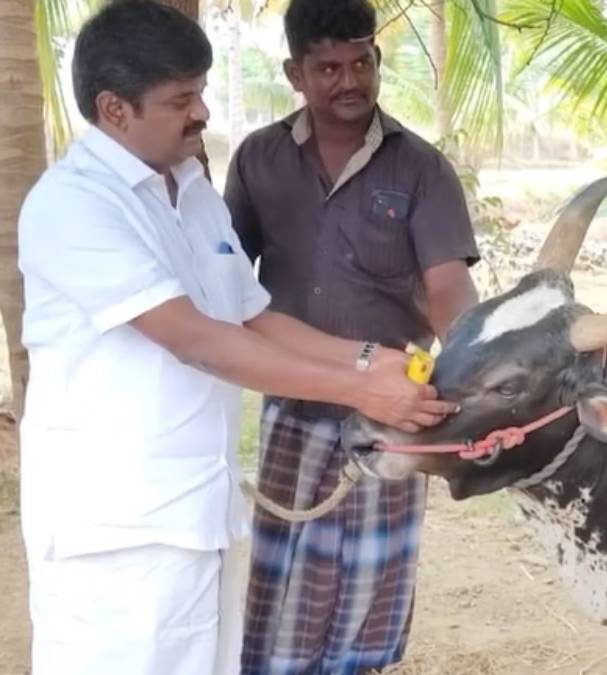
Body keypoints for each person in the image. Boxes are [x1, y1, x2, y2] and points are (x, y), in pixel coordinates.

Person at [16, 2, 458, 673]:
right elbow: (195, 338)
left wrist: (375, 358)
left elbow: (252, 315)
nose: (202, 114)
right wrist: (364, 389)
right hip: (116, 533)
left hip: (197, 512)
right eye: (181, 100)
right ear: (114, 110)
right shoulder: (74, 204)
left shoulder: (191, 190)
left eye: (200, 94)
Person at [222, 0, 481, 671]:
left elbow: (449, 285)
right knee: (284, 585)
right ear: (295, 73)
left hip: (392, 414)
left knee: (370, 593)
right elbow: (225, 285)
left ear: (377, 61)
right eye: (327, 67)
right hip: (292, 405)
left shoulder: (422, 168)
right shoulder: (257, 159)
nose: (348, 81)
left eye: (360, 62)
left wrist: (478, 359)